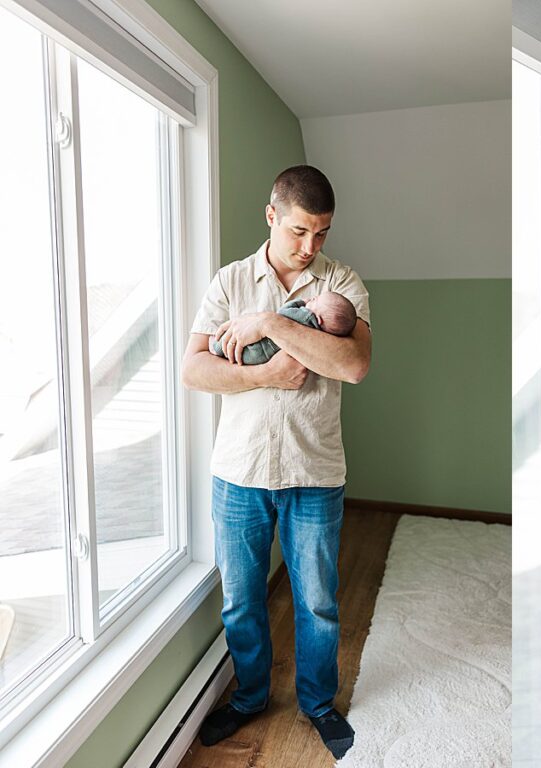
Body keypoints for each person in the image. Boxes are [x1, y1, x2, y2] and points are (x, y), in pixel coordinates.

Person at [181, 165, 372, 760]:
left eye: (322, 233)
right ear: (271, 216)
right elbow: (192, 369)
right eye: (298, 231)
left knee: (316, 599)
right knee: (240, 599)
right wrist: (264, 374)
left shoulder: (342, 283)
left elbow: (354, 365)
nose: (311, 247)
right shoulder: (230, 282)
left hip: (314, 474)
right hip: (238, 473)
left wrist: (268, 323)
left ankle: (318, 704)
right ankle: (250, 699)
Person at [208, 291, 357, 365]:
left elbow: (282, 314)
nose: (311, 299)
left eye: (315, 300)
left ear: (318, 319)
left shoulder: (304, 316)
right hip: (264, 356)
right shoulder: (318, 333)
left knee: (232, 344)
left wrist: (299, 303)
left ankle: (216, 347)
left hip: (261, 348)